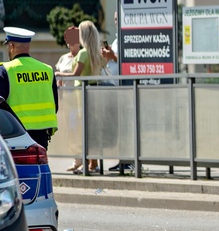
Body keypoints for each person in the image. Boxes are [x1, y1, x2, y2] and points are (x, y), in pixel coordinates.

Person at [56, 20, 104, 173]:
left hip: (81, 93)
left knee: (83, 128)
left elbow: (76, 74)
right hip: (92, 91)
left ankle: (89, 162)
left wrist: (58, 74)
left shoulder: (83, 53)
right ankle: (92, 163)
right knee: (89, 127)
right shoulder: (95, 52)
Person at [0, 27, 59, 151]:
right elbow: (55, 105)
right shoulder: (47, 69)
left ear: (11, 46)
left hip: (15, 134)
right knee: (38, 168)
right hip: (42, 134)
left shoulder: (6, 70)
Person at [101, 11, 133, 173]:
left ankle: (128, 160)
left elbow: (129, 60)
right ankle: (122, 159)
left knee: (126, 127)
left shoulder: (127, 38)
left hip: (124, 89)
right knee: (119, 127)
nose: (116, 21)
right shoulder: (116, 39)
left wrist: (112, 56)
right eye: (114, 19)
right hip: (115, 87)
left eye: (118, 18)